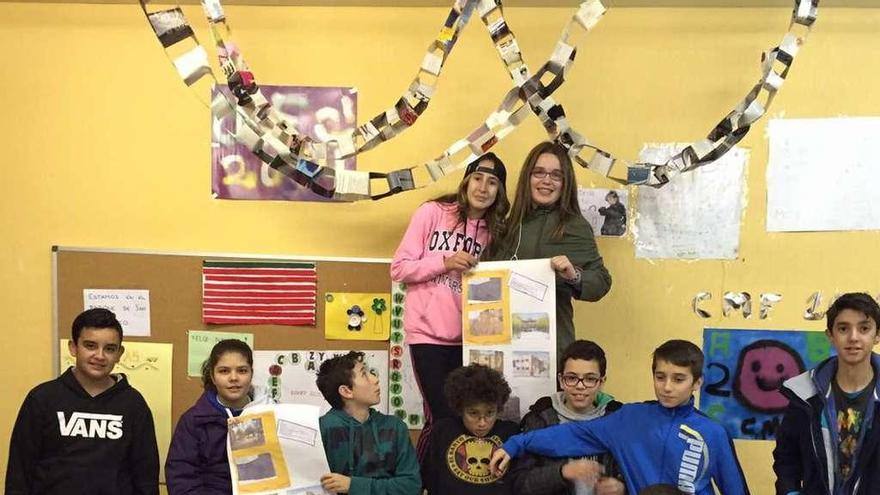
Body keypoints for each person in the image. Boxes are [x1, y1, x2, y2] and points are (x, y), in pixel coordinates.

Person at [489, 340, 749, 495]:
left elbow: (735, 490)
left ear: (697, 382)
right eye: (660, 377)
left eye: (678, 379)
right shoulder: (628, 418)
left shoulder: (712, 433)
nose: (667, 387)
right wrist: (515, 444)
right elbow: (570, 435)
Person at [390, 152, 509, 463]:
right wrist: (444, 262)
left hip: (472, 340)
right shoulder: (432, 212)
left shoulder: (496, 232)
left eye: (493, 182)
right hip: (428, 336)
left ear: (500, 191)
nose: (484, 187)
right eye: (479, 178)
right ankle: (425, 483)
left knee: (469, 420)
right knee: (440, 418)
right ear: (466, 180)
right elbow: (399, 268)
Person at [6, 308, 159, 495]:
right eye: (90, 345)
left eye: (109, 349)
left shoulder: (134, 405)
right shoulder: (42, 399)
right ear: (73, 347)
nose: (100, 356)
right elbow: (19, 474)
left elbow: (146, 478)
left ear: (120, 353)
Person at [488, 142, 611, 358]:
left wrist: (574, 277)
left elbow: (601, 281)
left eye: (556, 175)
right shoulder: (509, 225)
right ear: (528, 177)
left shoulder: (574, 226)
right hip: (503, 345)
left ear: (565, 183)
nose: (546, 180)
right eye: (539, 173)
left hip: (550, 347)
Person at [773, 292, 880, 495]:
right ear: (830, 335)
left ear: (877, 335)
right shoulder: (804, 394)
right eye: (843, 328)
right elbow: (787, 457)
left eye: (864, 328)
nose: (853, 337)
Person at [510, 340, 626, 495]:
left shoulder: (617, 421)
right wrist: (561, 472)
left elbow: (635, 474)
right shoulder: (539, 419)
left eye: (590, 379)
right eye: (572, 378)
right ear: (561, 380)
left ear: (602, 382)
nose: (580, 386)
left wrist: (621, 487)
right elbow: (520, 485)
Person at [316, 351, 421, 495]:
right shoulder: (321, 430)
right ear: (346, 391)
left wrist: (353, 486)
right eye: (364, 374)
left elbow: (411, 486)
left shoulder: (395, 427)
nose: (375, 379)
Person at [166, 339, 258, 494]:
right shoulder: (193, 421)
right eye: (224, 371)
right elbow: (181, 478)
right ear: (213, 377)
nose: (233, 378)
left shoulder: (271, 413)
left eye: (242, 370)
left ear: (251, 374)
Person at [424, 364, 519, 494]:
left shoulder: (511, 433)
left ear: (498, 409)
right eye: (473, 413)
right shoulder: (443, 431)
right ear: (460, 409)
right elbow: (430, 481)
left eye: (490, 413)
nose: (482, 423)